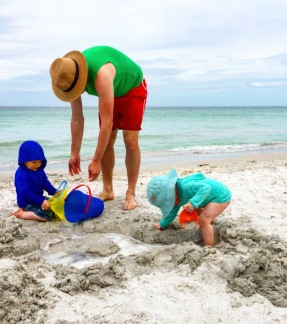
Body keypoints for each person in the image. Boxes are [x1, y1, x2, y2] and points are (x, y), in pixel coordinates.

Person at [49, 46, 147, 210]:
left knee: (130, 141)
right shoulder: (70, 75)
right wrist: (74, 153)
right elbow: (77, 118)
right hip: (110, 92)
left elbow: (107, 124)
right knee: (108, 142)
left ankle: (131, 192)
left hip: (133, 88)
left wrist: (96, 161)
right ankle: (108, 189)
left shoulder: (102, 75)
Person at [147, 169, 232, 247]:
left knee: (203, 219)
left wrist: (192, 203)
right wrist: (162, 224)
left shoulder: (186, 187)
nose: (171, 205)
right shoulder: (176, 197)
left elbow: (205, 188)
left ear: (173, 192)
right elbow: (172, 212)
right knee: (196, 209)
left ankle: (209, 247)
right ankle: (209, 224)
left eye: (169, 202)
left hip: (220, 196)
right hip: (206, 198)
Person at [12, 140, 57, 221]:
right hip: (26, 202)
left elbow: (45, 184)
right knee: (47, 215)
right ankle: (21, 214)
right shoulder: (21, 174)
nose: (37, 164)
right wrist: (41, 202)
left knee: (54, 207)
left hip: (39, 199)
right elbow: (25, 193)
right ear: (24, 160)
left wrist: (55, 192)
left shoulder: (39, 170)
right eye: (34, 162)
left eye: (40, 161)